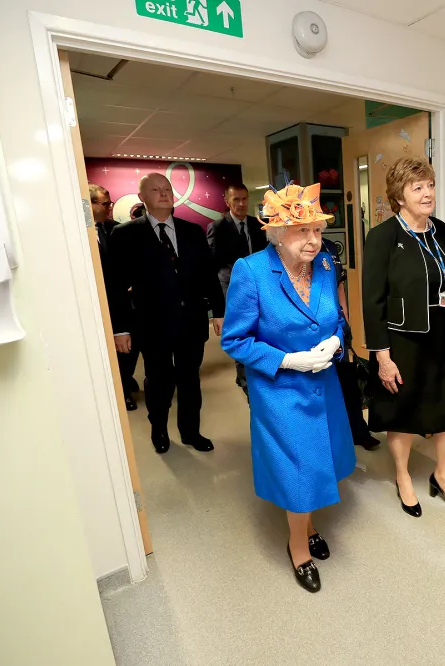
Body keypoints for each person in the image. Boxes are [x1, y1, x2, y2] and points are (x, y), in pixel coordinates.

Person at [221, 182, 355, 593]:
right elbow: (235, 340)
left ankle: (309, 524)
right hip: (280, 392)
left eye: (318, 230)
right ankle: (299, 546)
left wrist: (337, 340)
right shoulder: (252, 271)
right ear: (278, 233)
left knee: (317, 460)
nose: (315, 240)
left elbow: (337, 321)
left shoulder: (327, 266)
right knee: (298, 468)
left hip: (323, 385)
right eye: (303, 231)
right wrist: (287, 359)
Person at [362, 157, 445, 518]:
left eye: (430, 185)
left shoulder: (442, 230)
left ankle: (442, 474)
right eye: (417, 187)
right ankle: (403, 476)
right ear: (399, 196)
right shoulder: (382, 237)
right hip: (402, 340)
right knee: (403, 411)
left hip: (441, 335)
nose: (427, 193)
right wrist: (382, 355)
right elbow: (372, 299)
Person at [109, 173, 226, 454]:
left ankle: (190, 431)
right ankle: (159, 430)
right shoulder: (125, 234)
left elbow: (208, 275)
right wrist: (120, 328)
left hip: (191, 320)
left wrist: (218, 311)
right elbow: (114, 284)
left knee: (190, 379)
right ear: (142, 198)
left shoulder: (192, 231)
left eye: (167, 188)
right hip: (151, 323)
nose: (163, 193)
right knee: (158, 381)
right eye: (155, 189)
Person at [206, 183, 268, 395]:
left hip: (259, 285)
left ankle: (248, 369)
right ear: (227, 201)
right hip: (232, 286)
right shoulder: (218, 227)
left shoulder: (257, 224)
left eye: (244, 199)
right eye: (236, 200)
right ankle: (245, 379)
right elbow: (213, 263)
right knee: (241, 329)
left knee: (258, 327)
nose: (241, 204)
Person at [320, 237, 379, 451]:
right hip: (315, 328)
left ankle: (358, 430)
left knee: (348, 380)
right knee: (324, 381)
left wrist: (346, 321)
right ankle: (329, 437)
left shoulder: (330, 246)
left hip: (337, 324)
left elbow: (340, 286)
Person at [90, 183, 139, 411]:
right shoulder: (77, 234)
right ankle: (116, 389)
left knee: (128, 347)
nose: (109, 208)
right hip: (94, 303)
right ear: (89, 204)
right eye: (105, 203)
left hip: (121, 300)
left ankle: (124, 383)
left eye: (110, 203)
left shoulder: (116, 229)